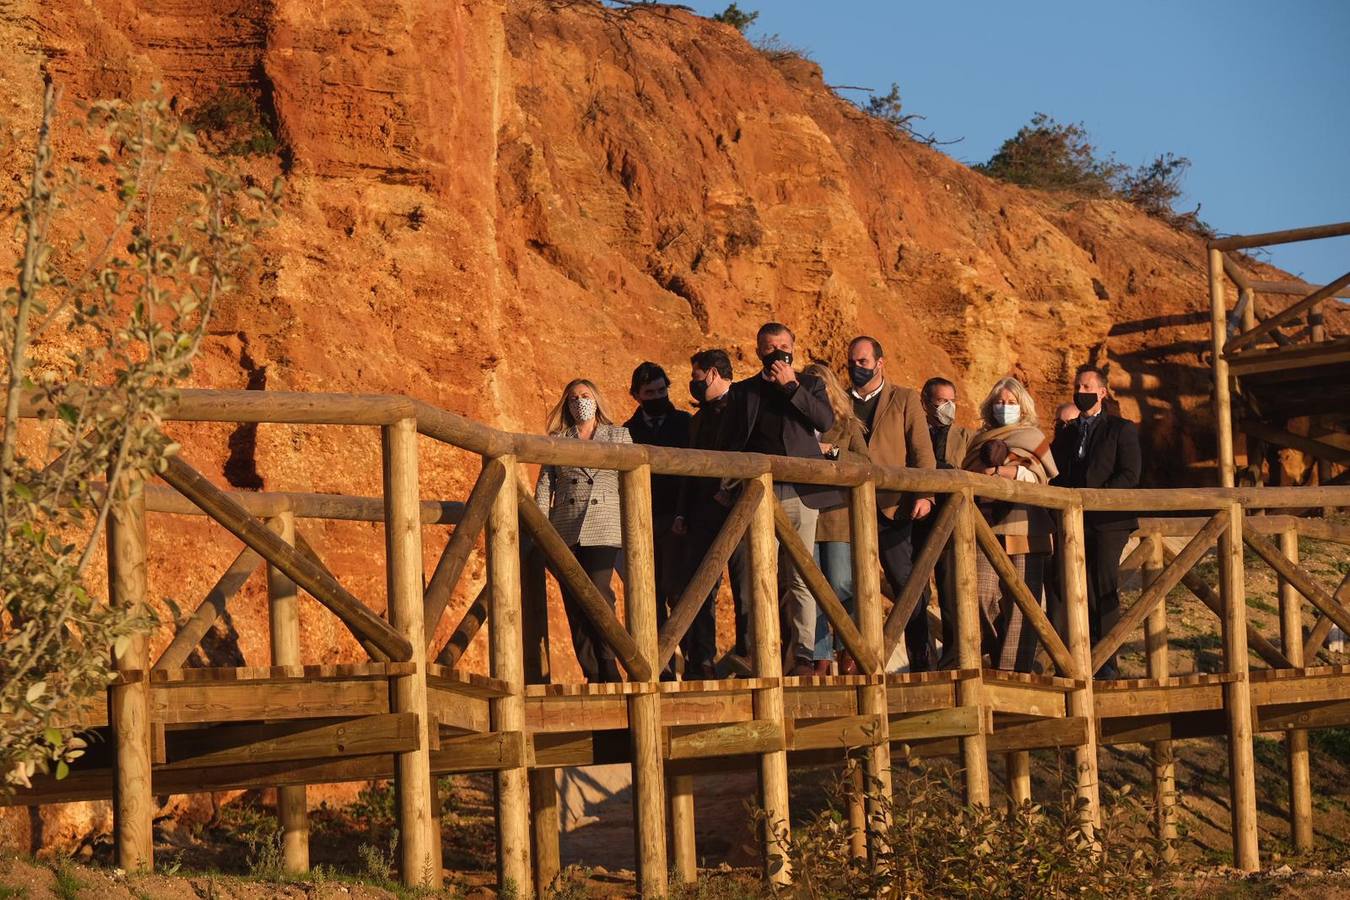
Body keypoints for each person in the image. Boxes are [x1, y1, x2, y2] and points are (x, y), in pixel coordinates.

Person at [716, 323, 837, 676]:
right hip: (758, 492)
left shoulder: (810, 385)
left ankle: (802, 653)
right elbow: (728, 441)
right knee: (761, 573)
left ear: (794, 348)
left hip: (801, 490)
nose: (778, 353)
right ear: (758, 352)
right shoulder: (743, 392)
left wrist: (791, 387)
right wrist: (727, 483)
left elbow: (824, 421)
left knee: (800, 573)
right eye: (770, 348)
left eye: (784, 345)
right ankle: (764, 649)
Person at [846, 336, 937, 671]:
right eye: (852, 363)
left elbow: (921, 452)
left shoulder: (904, 398)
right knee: (850, 584)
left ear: (880, 363)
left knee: (906, 584)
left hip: (894, 506)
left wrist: (925, 493)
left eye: (863, 362)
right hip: (849, 508)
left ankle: (922, 659)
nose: (857, 368)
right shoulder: (840, 401)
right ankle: (859, 663)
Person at [534, 379, 632, 683]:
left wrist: (633, 524)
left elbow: (631, 483)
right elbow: (544, 484)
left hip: (604, 525)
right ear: (567, 404)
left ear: (597, 399)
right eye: (574, 397)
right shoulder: (558, 439)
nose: (580, 402)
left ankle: (609, 663)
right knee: (575, 600)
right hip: (566, 525)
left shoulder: (618, 435)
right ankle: (591, 672)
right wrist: (540, 526)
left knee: (599, 594)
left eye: (586, 396)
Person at [1051, 366, 1141, 680]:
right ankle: (1067, 659)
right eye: (1077, 385)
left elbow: (1129, 474)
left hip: (1108, 522)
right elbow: (1055, 472)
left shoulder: (1121, 429)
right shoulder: (1068, 432)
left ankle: (1106, 663)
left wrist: (1094, 498)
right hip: (1071, 520)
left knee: (1103, 587)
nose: (1081, 390)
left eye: (1087, 385)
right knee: (1065, 584)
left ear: (1102, 392)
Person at [962, 377, 1057, 672]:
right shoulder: (979, 439)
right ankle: (992, 654)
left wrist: (1000, 470)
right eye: (1000, 402)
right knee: (979, 596)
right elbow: (967, 472)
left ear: (1023, 407)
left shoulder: (1032, 437)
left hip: (1026, 527)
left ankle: (1014, 671)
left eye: (1012, 403)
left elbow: (1038, 476)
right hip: (984, 528)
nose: (1005, 408)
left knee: (1022, 606)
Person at [672, 349, 744, 677]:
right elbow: (689, 468)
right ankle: (702, 661)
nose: (693, 383)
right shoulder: (698, 418)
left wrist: (730, 491)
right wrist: (681, 512)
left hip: (739, 509)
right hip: (701, 513)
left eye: (696, 376)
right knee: (699, 586)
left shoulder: (744, 405)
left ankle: (749, 656)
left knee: (746, 587)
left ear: (713, 374)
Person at [623, 362, 693, 678]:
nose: (657, 396)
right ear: (636, 395)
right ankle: (658, 664)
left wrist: (684, 513)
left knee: (679, 591)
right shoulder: (627, 431)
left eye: (662, 390)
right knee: (647, 593)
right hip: (641, 520)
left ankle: (692, 661)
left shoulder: (684, 423)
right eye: (649, 392)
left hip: (677, 517)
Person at [805, 362, 871, 675]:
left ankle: (849, 650)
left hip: (839, 515)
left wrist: (833, 454)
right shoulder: (796, 422)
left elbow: (866, 461)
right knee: (810, 587)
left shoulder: (846, 424)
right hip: (805, 513)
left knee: (842, 583)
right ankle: (819, 657)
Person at [918, 376, 975, 669]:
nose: (947, 407)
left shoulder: (965, 436)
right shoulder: (914, 432)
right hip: (917, 520)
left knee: (953, 590)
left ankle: (954, 659)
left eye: (951, 400)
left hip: (953, 523)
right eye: (941, 401)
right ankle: (923, 659)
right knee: (917, 591)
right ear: (926, 402)